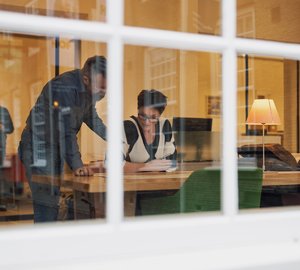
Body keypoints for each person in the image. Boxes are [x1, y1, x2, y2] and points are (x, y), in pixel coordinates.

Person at [18, 55, 107, 222]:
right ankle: (44, 246)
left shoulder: (87, 91)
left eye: (106, 88)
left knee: (53, 202)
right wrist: (78, 165)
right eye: (100, 88)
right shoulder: (65, 87)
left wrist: (112, 136)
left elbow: (90, 116)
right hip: (38, 147)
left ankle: (50, 243)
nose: (103, 93)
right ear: (86, 79)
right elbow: (66, 130)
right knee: (47, 205)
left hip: (54, 146)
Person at [123, 89, 177, 172]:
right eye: (142, 116)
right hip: (132, 183)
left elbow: (173, 162)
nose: (147, 122)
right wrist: (147, 166)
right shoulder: (128, 127)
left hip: (160, 182)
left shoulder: (164, 125)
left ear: (159, 115)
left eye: (153, 118)